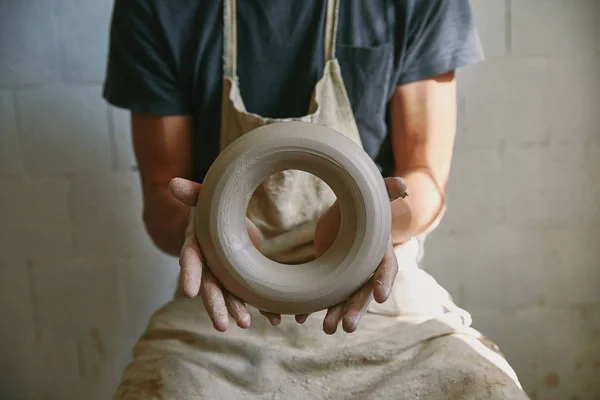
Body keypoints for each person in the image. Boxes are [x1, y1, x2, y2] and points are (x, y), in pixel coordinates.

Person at [103, 0, 529, 398]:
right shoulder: (157, 7)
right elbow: (162, 195)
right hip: (227, 292)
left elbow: (427, 180)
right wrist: (206, 227)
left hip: (374, 280)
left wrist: (370, 222)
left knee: (480, 385)